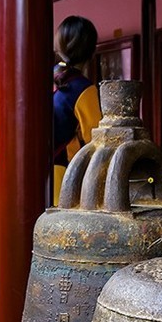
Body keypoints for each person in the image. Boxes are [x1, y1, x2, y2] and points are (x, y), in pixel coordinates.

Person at [51, 15, 101, 206]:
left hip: (34, 170)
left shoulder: (48, 76)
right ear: (91, 51)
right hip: (65, 174)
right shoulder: (84, 88)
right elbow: (95, 140)